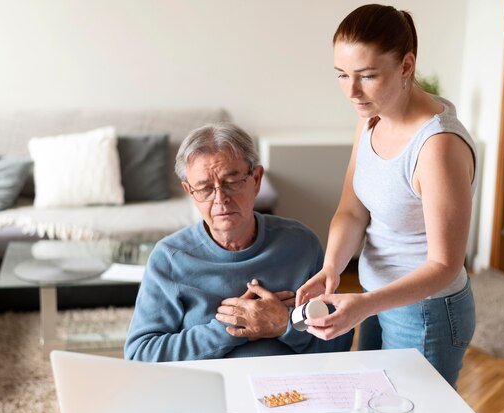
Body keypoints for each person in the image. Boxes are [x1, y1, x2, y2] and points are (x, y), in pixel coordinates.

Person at [296, 4, 476, 387]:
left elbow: (445, 264)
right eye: (342, 75)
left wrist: (365, 305)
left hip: (426, 312)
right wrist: (332, 269)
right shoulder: (370, 116)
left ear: (407, 65)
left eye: (367, 76)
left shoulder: (437, 146)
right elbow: (352, 210)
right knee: (375, 407)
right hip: (374, 296)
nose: (352, 91)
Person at [125, 122, 353, 362]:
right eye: (204, 188)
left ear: (256, 180)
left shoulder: (301, 244)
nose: (220, 199)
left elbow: (339, 342)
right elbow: (140, 354)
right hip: (209, 387)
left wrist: (284, 323)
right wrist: (229, 328)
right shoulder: (170, 258)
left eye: (231, 182)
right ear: (189, 192)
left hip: (292, 386)